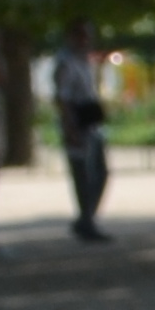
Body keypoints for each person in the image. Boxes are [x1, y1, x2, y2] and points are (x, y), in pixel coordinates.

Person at [50, 24, 114, 243]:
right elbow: (63, 97)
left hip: (91, 123)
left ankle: (86, 218)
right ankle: (86, 220)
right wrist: (70, 127)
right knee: (83, 175)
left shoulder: (84, 60)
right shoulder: (66, 62)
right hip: (78, 124)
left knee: (100, 172)